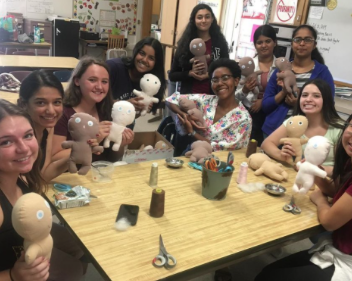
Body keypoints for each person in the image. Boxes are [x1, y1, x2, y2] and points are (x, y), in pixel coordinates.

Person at [255, 114, 352, 281]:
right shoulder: (349, 161)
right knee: (269, 270)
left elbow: (329, 222)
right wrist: (313, 169)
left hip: (347, 261)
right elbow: (337, 191)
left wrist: (320, 200)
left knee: (267, 277)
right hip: (337, 246)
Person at [0, 100, 84, 281]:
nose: (24, 148)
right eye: (6, 142)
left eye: (28, 136)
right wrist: (13, 276)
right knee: (74, 270)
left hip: (28, 253)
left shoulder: (21, 176)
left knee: (77, 249)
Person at [52, 56, 134, 163]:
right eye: (92, 80)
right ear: (77, 81)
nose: (99, 87)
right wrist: (91, 142)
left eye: (104, 82)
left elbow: (110, 159)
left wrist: (121, 144)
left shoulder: (107, 111)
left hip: (98, 174)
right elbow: (55, 158)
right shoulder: (63, 113)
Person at [261, 24, 335, 137]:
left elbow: (329, 107)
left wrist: (300, 104)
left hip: (305, 135)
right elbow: (265, 106)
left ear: (314, 45)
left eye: (307, 40)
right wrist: (283, 92)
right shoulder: (281, 70)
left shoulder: (322, 73)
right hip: (274, 132)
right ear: (292, 43)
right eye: (298, 39)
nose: (302, 43)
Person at [261, 79, 344, 176]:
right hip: (296, 177)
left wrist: (317, 169)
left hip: (326, 182)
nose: (308, 99)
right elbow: (267, 143)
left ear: (326, 100)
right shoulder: (294, 122)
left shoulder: (338, 128)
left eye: (316, 96)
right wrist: (282, 155)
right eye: (304, 95)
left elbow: (344, 168)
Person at [166, 58, 252, 151]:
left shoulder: (243, 118)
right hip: (193, 153)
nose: (219, 83)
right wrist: (185, 115)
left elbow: (220, 149)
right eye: (215, 80)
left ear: (236, 81)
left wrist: (192, 132)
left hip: (219, 162)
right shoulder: (206, 101)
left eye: (225, 78)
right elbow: (170, 100)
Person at [168, 3, 229, 95]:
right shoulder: (185, 44)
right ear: (194, 20)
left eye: (207, 17)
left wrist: (209, 75)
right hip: (188, 96)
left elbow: (227, 69)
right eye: (199, 17)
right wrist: (190, 73)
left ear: (212, 19)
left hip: (213, 96)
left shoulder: (220, 43)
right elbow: (172, 75)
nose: (203, 20)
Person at [235, 24, 277, 145]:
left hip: (271, 115)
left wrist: (263, 102)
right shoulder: (246, 65)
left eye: (268, 41)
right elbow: (234, 97)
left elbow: (281, 93)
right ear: (255, 45)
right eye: (259, 42)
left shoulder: (281, 65)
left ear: (275, 42)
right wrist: (245, 89)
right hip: (248, 114)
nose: (263, 45)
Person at [106, 37, 166, 114]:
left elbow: (133, 116)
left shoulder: (149, 83)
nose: (144, 60)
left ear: (156, 63)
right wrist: (126, 104)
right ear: (135, 52)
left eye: (151, 58)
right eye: (142, 53)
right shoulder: (113, 67)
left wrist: (140, 108)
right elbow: (97, 100)